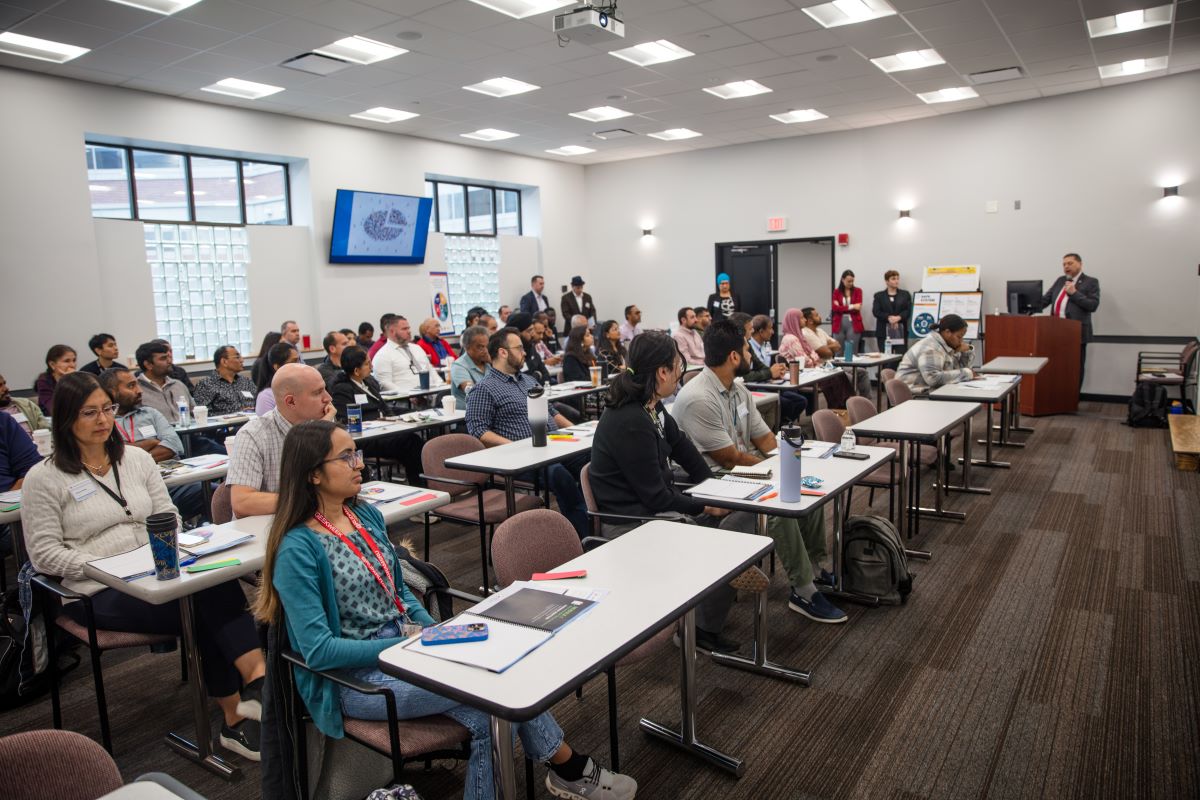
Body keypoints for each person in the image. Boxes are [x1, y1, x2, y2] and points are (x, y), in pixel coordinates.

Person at [255, 420, 635, 800]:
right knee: (497, 692)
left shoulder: (363, 515)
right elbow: (319, 651)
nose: (360, 464)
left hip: (407, 647)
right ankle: (571, 768)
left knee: (489, 713)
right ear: (313, 475)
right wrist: (403, 648)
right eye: (346, 456)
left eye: (357, 453)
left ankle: (570, 770)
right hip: (357, 679)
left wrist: (431, 630)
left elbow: (397, 589)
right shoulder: (297, 548)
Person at [21, 372, 266, 760]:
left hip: (161, 569)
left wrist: (161, 552)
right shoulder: (44, 478)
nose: (103, 420)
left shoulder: (134, 459)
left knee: (214, 582)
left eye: (108, 409)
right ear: (66, 418)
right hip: (96, 590)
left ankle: (256, 683)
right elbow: (44, 555)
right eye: (90, 412)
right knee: (201, 606)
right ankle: (237, 713)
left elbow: (168, 513)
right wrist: (107, 567)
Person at [673, 320, 846, 625]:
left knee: (806, 484)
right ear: (734, 357)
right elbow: (728, 458)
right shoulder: (698, 397)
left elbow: (765, 439)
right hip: (718, 481)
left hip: (746, 469)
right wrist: (780, 469)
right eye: (745, 348)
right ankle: (803, 590)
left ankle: (816, 570)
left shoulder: (738, 390)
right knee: (779, 504)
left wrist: (793, 461)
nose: (752, 355)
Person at [465, 329, 590, 538]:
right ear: (503, 352)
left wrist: (581, 432)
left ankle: (597, 518)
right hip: (521, 459)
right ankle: (583, 537)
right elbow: (478, 430)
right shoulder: (484, 389)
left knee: (594, 460)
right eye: (520, 348)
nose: (525, 352)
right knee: (560, 476)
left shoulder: (529, 381)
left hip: (554, 446)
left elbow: (552, 412)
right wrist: (517, 447)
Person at [228, 363, 335, 518]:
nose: (328, 398)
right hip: (272, 528)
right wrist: (311, 501)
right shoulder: (253, 435)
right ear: (291, 402)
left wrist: (324, 432)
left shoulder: (324, 421)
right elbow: (242, 502)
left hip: (316, 519)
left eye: (324, 389)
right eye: (317, 393)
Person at [99, 367, 204, 520]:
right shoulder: (104, 423)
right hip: (130, 491)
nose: (139, 390)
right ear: (111, 392)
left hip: (172, 484)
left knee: (214, 492)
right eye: (131, 386)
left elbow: (174, 445)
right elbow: (112, 455)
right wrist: (151, 442)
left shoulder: (151, 413)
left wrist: (130, 450)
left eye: (137, 384)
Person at [327, 347, 424, 486]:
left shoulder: (370, 381)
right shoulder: (341, 389)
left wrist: (393, 419)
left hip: (384, 431)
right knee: (410, 442)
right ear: (356, 370)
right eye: (367, 364)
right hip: (365, 439)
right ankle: (419, 484)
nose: (372, 366)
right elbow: (345, 420)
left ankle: (420, 482)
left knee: (413, 437)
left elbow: (384, 407)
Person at [1037, 252, 1100, 385]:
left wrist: (1075, 293)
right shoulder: (1060, 280)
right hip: (1054, 331)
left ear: (1080, 264)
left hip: (1076, 333)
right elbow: (1045, 300)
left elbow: (1092, 305)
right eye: (1064, 264)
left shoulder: (1091, 282)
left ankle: (1073, 399)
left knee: (1075, 368)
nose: (1066, 266)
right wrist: (1026, 307)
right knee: (1056, 366)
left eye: (1070, 263)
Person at [731, 313, 804, 426]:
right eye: (750, 329)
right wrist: (770, 372)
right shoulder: (734, 349)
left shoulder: (748, 346)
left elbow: (760, 366)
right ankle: (777, 428)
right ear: (740, 332)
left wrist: (776, 370)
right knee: (781, 402)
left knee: (799, 400)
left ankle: (782, 425)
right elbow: (744, 376)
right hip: (748, 388)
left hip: (757, 384)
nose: (752, 332)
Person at [778, 307, 851, 410]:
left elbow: (815, 356)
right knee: (834, 379)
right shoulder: (791, 338)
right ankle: (838, 410)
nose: (804, 320)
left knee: (839, 375)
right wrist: (813, 358)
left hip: (809, 372)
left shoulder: (799, 336)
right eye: (802, 318)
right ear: (794, 321)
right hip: (800, 376)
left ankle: (843, 409)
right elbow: (807, 361)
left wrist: (813, 358)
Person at [896, 314, 976, 392]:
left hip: (930, 390)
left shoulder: (947, 345)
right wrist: (967, 373)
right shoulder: (930, 348)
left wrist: (966, 352)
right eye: (959, 337)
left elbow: (957, 370)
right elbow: (933, 378)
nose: (961, 341)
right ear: (947, 332)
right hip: (914, 395)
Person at [803, 307, 870, 397]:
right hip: (820, 368)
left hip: (831, 364)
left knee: (862, 372)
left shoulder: (820, 331)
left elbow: (837, 346)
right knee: (847, 377)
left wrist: (826, 348)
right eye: (817, 315)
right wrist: (828, 349)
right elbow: (826, 353)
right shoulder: (806, 333)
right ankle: (846, 406)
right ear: (810, 320)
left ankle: (864, 402)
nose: (820, 317)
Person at [371, 315, 445, 395]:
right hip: (406, 400)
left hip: (432, 394)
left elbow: (431, 370)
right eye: (404, 329)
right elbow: (384, 383)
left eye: (408, 328)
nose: (409, 331)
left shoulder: (417, 348)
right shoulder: (383, 355)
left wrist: (441, 386)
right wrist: (408, 394)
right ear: (392, 331)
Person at [134, 340, 194, 424]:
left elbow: (194, 412)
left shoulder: (178, 385)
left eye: (168, 357)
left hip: (190, 433)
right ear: (148, 365)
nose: (169, 361)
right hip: (159, 436)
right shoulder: (136, 390)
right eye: (163, 358)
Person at [193, 346, 257, 416]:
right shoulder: (205, 385)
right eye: (237, 357)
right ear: (224, 362)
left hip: (252, 422)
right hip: (225, 425)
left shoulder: (246, 382)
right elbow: (204, 414)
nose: (242, 360)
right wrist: (237, 414)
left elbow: (259, 402)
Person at [255, 342, 301, 415]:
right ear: (277, 367)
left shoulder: (302, 387)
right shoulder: (266, 396)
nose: (299, 365)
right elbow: (267, 424)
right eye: (294, 361)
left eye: (299, 360)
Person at [449, 326, 489, 410]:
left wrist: (494, 364)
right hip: (467, 417)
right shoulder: (459, 366)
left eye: (486, 346)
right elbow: (474, 394)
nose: (485, 351)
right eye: (480, 347)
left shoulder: (489, 363)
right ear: (467, 347)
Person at [872, 270, 912, 353]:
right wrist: (888, 317)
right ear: (887, 281)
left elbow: (908, 310)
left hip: (900, 331)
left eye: (897, 278)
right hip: (883, 332)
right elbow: (876, 311)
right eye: (893, 279)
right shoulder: (879, 296)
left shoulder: (905, 294)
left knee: (900, 357)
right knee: (885, 359)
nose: (896, 281)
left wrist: (899, 317)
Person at [831, 270, 865, 359]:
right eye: (848, 281)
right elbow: (835, 308)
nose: (851, 283)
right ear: (843, 279)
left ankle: (853, 372)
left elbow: (858, 308)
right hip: (839, 323)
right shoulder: (836, 292)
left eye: (852, 281)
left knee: (853, 351)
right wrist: (852, 306)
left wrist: (842, 307)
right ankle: (840, 372)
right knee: (838, 351)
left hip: (853, 323)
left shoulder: (858, 291)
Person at [35, 344, 77, 415]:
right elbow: (55, 409)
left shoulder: (77, 378)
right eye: (67, 361)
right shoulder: (44, 381)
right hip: (52, 420)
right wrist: (67, 381)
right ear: (52, 364)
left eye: (74, 360)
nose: (72, 365)